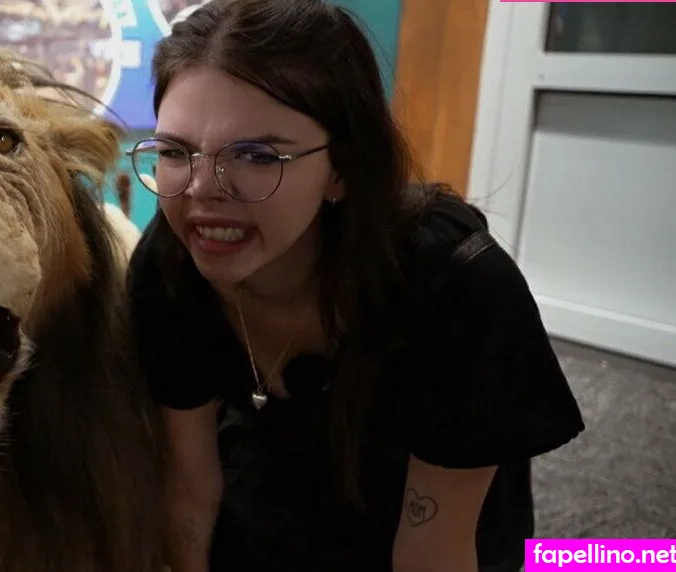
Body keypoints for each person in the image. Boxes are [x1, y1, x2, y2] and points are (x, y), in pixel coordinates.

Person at [123, 0, 586, 570]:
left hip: (429, 505)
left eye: (256, 155)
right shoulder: (169, 264)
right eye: (176, 151)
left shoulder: (457, 286)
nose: (201, 190)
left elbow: (434, 549)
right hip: (273, 472)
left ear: (341, 167)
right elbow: (190, 490)